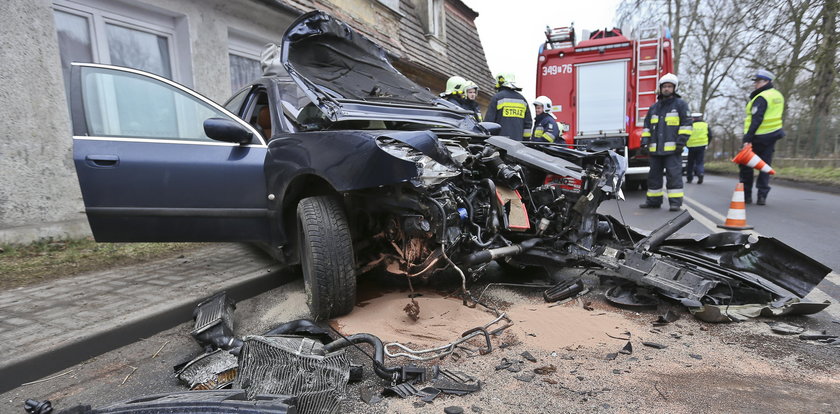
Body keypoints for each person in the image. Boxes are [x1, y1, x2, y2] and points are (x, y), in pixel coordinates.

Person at [639, 73, 692, 211]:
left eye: (669, 86)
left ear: (674, 88)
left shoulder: (681, 105)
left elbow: (686, 125)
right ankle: (653, 201)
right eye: (664, 86)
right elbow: (646, 128)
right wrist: (644, 143)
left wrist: (681, 143)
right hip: (655, 150)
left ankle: (675, 203)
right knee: (653, 177)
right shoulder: (654, 108)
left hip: (673, 150)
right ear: (660, 88)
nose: (667, 89)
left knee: (674, 176)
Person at [741, 69, 784, 205]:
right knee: (765, 167)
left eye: (758, 81)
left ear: (767, 82)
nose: (756, 84)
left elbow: (756, 119)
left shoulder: (762, 97)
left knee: (746, 165)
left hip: (757, 137)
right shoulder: (777, 95)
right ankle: (762, 195)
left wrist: (747, 138)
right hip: (772, 135)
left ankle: (746, 195)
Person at [485, 73, 532, 140]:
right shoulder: (523, 100)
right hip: (519, 143)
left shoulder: (497, 97)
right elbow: (528, 123)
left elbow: (489, 122)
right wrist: (525, 140)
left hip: (500, 142)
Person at [686, 112, 711, 184]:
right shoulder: (705, 125)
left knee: (690, 163)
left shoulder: (690, 125)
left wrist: (685, 144)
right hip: (702, 145)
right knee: (699, 162)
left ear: (693, 118)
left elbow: (686, 134)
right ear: (700, 118)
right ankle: (700, 173)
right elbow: (710, 135)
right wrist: (707, 144)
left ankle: (689, 178)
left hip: (691, 146)